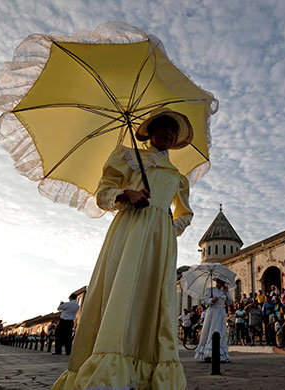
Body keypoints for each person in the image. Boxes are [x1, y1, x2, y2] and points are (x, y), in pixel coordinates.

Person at [53, 108, 194, 389]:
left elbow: (185, 213)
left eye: (172, 130)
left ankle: (147, 370)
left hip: (160, 240)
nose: (167, 133)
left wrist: (170, 227)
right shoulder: (128, 157)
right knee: (124, 288)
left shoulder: (178, 176)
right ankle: (110, 366)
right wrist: (127, 194)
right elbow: (102, 193)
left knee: (153, 296)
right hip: (131, 227)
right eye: (162, 127)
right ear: (150, 131)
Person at [195, 278, 233, 362]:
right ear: (216, 282)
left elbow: (230, 302)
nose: (220, 284)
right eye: (219, 282)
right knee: (211, 330)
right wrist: (211, 300)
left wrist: (227, 292)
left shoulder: (224, 292)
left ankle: (221, 354)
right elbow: (204, 301)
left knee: (221, 331)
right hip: (212, 312)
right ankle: (208, 353)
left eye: (222, 283)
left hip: (221, 312)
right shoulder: (210, 290)